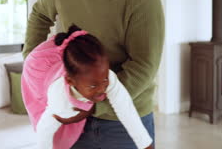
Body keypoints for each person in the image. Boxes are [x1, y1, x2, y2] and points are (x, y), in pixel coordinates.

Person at [23, 0, 165, 148]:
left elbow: (144, 66)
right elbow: (39, 15)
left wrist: (91, 103)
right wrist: (33, 64)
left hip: (122, 118)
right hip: (73, 111)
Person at [22, 25, 153, 149]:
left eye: (105, 79)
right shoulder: (59, 98)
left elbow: (126, 109)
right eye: (93, 85)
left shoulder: (106, 77)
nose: (102, 89)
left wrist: (145, 144)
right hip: (38, 69)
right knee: (61, 134)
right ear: (70, 81)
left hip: (75, 75)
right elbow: (44, 131)